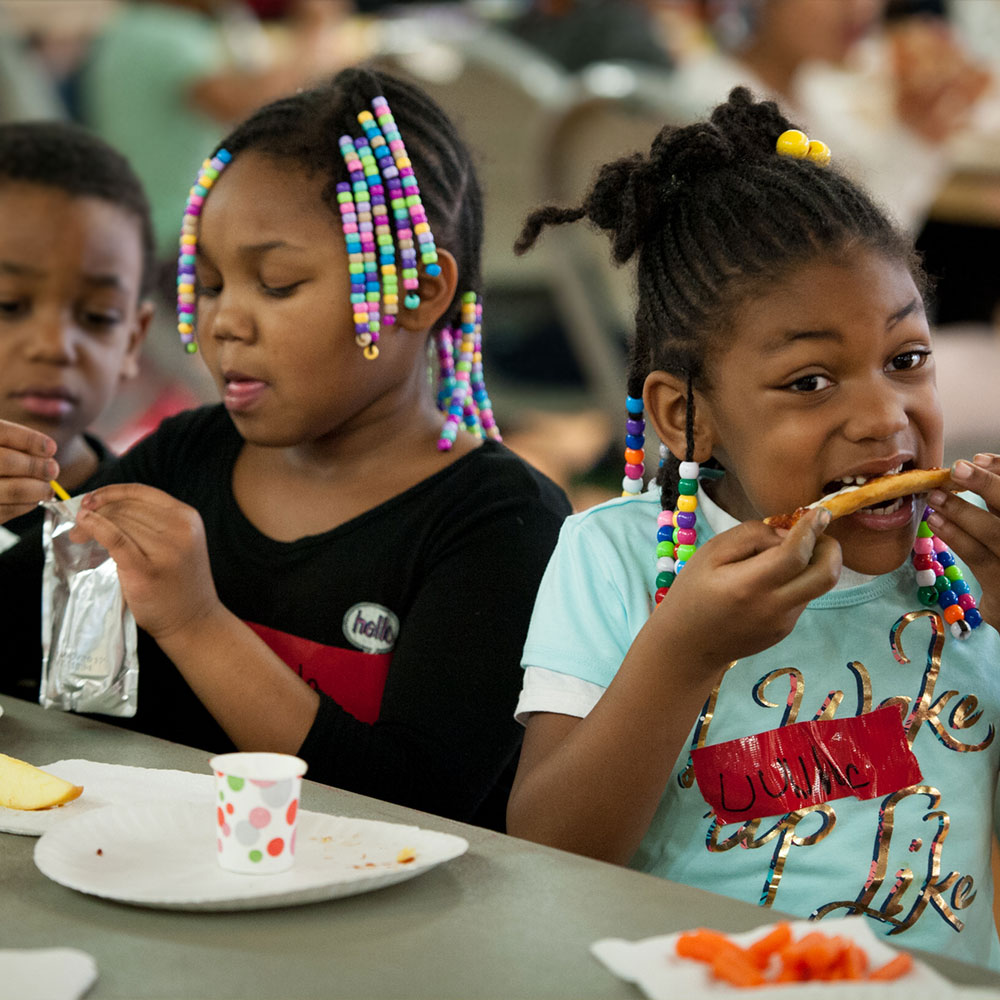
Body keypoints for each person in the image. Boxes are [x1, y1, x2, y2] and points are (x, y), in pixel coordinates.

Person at [0, 67, 571, 831]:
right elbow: (13, 654)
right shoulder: (186, 458)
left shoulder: (500, 522)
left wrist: (197, 624)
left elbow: (423, 805)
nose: (225, 322)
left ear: (418, 289)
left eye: (275, 285)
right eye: (207, 286)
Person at [506, 87, 1000, 966]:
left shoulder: (970, 579)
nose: (886, 419)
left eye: (906, 359)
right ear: (686, 417)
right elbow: (549, 853)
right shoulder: (616, 559)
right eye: (811, 382)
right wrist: (682, 651)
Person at [0, 120, 155, 700]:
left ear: (134, 341)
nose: (55, 345)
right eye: (10, 304)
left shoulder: (145, 523)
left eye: (97, 317)